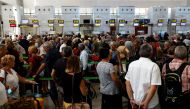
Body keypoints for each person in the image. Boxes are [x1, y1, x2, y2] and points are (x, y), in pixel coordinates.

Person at [125, 44, 161, 109]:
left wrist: (131, 99)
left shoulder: (132, 64)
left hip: (136, 101)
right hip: (151, 104)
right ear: (151, 53)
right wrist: (146, 102)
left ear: (139, 52)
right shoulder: (154, 66)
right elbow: (154, 87)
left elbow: (127, 83)